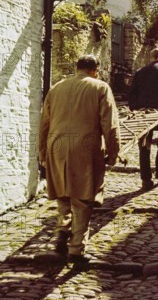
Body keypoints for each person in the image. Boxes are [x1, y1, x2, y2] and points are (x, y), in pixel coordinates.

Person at [39, 55, 120, 266]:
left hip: (56, 147)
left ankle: (60, 234)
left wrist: (42, 153)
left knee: (64, 195)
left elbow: (44, 124)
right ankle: (77, 249)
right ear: (95, 69)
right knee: (83, 199)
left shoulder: (56, 88)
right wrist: (113, 153)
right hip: (85, 147)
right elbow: (109, 125)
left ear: (77, 69)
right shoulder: (100, 88)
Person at [128, 47, 158, 191]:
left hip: (143, 114)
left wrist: (135, 109)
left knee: (144, 145)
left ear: (152, 57)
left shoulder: (140, 72)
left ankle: (145, 179)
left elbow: (132, 93)